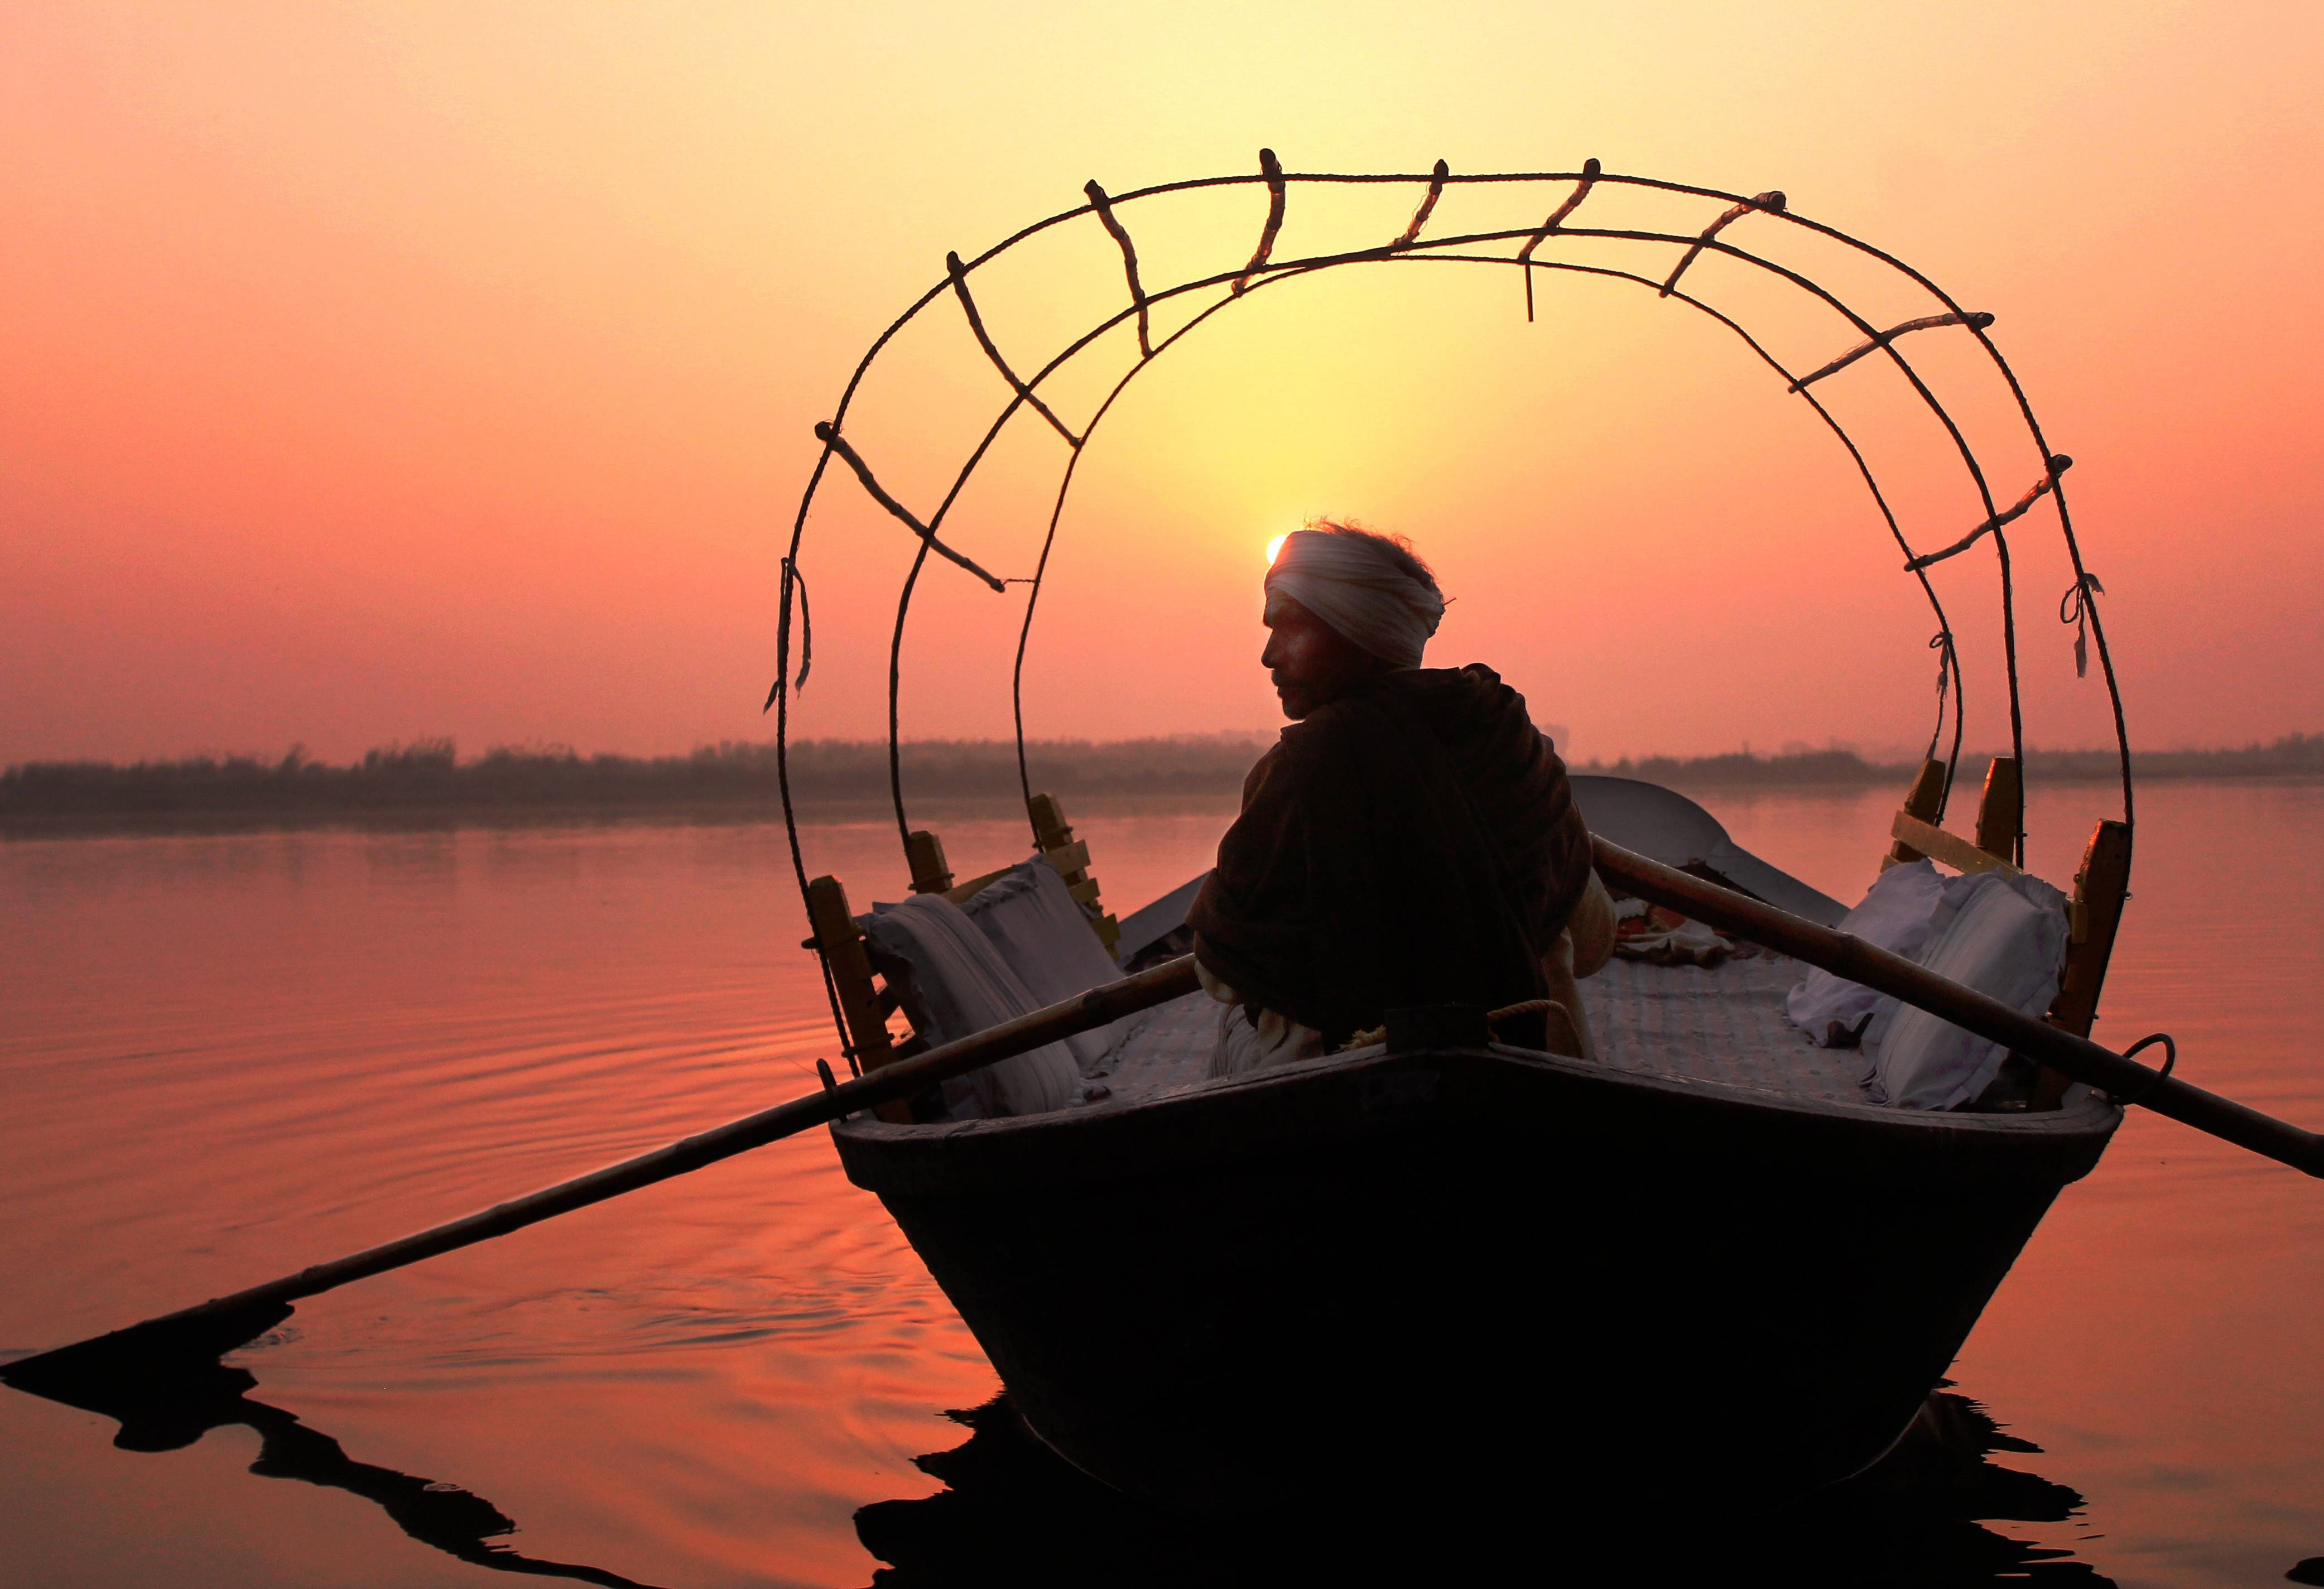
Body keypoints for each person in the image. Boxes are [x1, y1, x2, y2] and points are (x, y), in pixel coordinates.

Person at [1188, 520, 1614, 1076]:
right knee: (1548, 943)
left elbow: (1218, 972)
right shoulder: (1507, 734)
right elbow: (1595, 942)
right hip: (1529, 1074)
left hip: (1335, 1090)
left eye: (1289, 630)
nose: (1269, 655)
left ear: (1355, 631)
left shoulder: (1299, 770)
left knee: (1233, 1019)